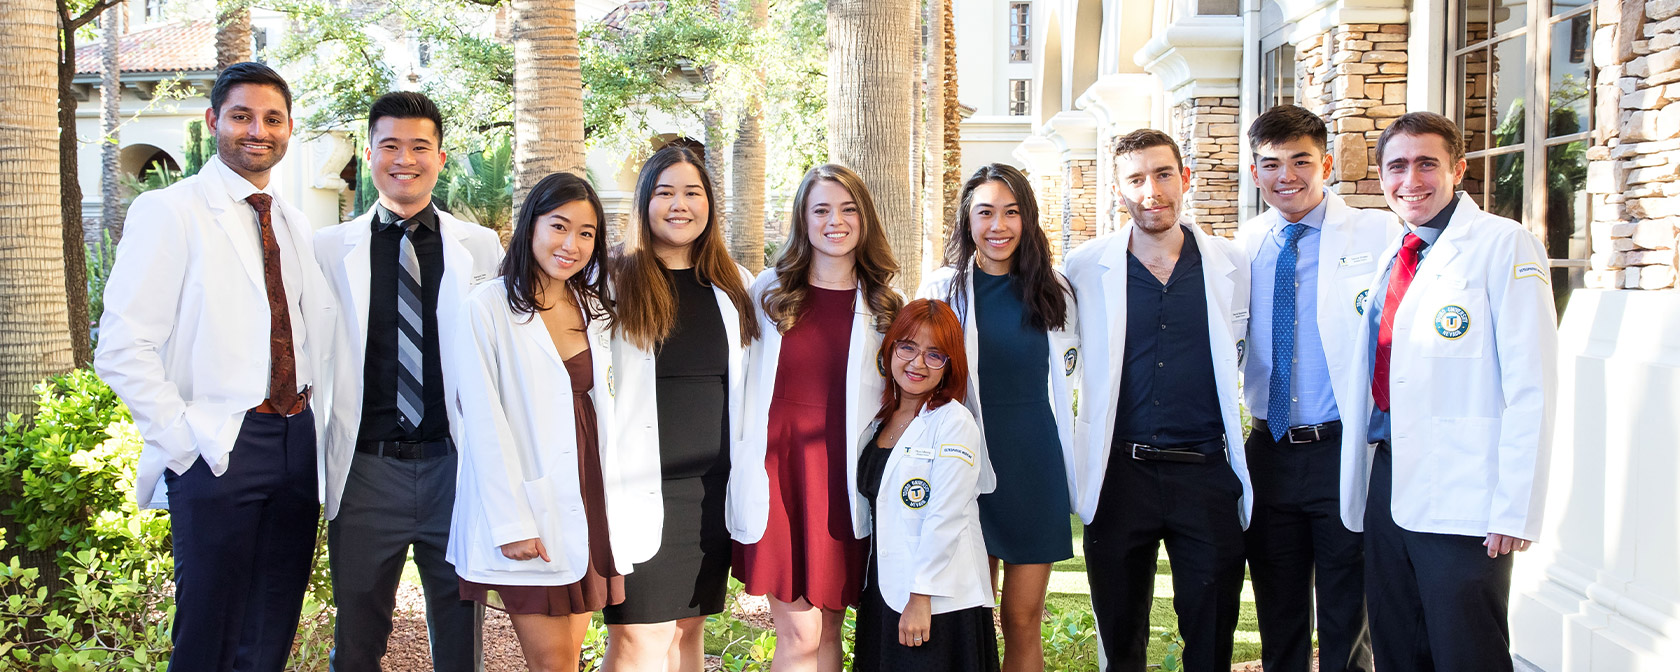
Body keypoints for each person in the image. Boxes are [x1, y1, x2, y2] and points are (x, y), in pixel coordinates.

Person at [94, 62, 338, 672]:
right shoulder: (170, 211)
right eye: (241, 116)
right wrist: (185, 442)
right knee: (207, 634)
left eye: (273, 119)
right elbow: (123, 347)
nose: (258, 130)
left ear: (288, 129)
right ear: (212, 122)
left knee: (272, 627)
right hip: (219, 443)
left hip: (296, 440)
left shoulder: (292, 220)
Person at [1338, 111, 1557, 672]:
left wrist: (1516, 507)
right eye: (1397, 166)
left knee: (1466, 651)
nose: (1411, 179)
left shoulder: (1505, 246)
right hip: (1389, 478)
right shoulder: (1399, 250)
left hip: (1466, 493)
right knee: (1397, 643)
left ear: (1457, 169)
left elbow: (1532, 385)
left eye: (1426, 163)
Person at [312, 91, 503, 671]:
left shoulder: (480, 247)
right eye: (390, 145)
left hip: (453, 463)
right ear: (368, 155)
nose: (405, 159)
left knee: (460, 630)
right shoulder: (326, 249)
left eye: (420, 146)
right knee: (359, 634)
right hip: (366, 469)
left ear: (440, 158)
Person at [1063, 128, 1252, 672]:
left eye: (1163, 173)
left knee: (1211, 640)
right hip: (1121, 474)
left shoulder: (1232, 265)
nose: (1152, 190)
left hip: (1206, 475)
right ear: (1118, 191)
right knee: (1121, 645)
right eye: (1136, 179)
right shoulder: (1084, 268)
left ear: (1184, 178)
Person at [447, 172, 646, 672]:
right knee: (552, 661)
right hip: (527, 501)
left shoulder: (594, 307)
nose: (572, 244)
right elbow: (483, 423)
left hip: (589, 492)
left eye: (586, 233)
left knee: (569, 658)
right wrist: (511, 522)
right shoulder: (486, 307)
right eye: (560, 227)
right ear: (530, 226)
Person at [1233, 105, 1397, 672]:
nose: (1287, 177)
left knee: (1348, 613)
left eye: (1301, 161)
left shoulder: (1380, 234)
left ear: (1325, 163)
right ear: (1254, 173)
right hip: (1268, 451)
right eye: (1271, 164)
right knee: (1278, 611)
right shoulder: (1241, 246)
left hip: (1343, 448)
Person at [729, 164, 903, 672]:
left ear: (865, 218)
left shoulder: (886, 305)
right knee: (800, 634)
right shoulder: (768, 293)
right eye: (821, 210)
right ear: (802, 220)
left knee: (829, 632)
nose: (836, 221)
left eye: (848, 209)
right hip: (777, 479)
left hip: (842, 482)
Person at [601, 145, 759, 672]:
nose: (679, 204)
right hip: (638, 492)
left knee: (687, 636)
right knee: (639, 643)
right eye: (665, 192)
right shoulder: (613, 282)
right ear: (645, 203)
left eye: (692, 192)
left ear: (710, 204)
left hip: (710, 494)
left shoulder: (734, 284)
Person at [917, 163, 1078, 672]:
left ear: (1027, 220)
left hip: (1033, 465)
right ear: (967, 221)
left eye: (1011, 212)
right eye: (985, 212)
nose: (998, 225)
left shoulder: (1055, 290)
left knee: (1022, 619)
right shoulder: (942, 290)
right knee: (968, 617)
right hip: (962, 468)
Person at [850, 299, 999, 672]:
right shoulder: (878, 418)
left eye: (935, 355)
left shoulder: (954, 422)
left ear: (950, 366)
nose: (917, 363)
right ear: (890, 349)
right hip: (883, 588)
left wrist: (921, 595)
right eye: (908, 347)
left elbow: (944, 517)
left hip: (936, 601)